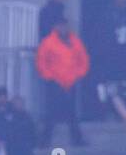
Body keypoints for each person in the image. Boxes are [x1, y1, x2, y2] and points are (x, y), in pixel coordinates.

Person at [35, 16, 90, 147]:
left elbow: (84, 60)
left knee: (72, 113)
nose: (63, 28)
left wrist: (78, 74)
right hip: (55, 83)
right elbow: (41, 61)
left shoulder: (75, 42)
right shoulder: (48, 42)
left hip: (70, 83)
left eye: (65, 25)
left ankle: (77, 139)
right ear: (56, 27)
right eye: (60, 25)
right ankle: (44, 140)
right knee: (51, 113)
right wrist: (49, 77)